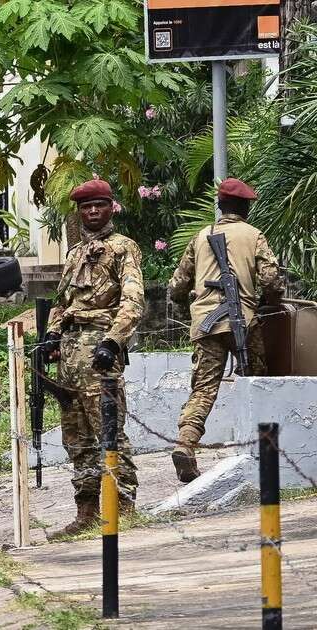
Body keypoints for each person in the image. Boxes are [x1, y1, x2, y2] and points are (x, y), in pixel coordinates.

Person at [44, 179, 143, 539]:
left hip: (101, 351)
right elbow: (60, 301)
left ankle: (124, 507)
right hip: (69, 353)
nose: (92, 212)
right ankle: (86, 510)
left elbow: (132, 301)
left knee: (109, 430)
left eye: (98, 205)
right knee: (76, 436)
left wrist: (114, 341)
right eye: (86, 207)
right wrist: (52, 334)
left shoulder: (123, 249)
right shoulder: (74, 254)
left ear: (110, 207)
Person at [167, 178, 283, 483]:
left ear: (220, 206)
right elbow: (271, 280)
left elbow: (177, 285)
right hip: (244, 321)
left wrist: (188, 309)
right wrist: (268, 304)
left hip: (206, 324)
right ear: (245, 207)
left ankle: (185, 443)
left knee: (204, 388)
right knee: (257, 381)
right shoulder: (253, 235)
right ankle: (264, 449)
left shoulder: (201, 236)